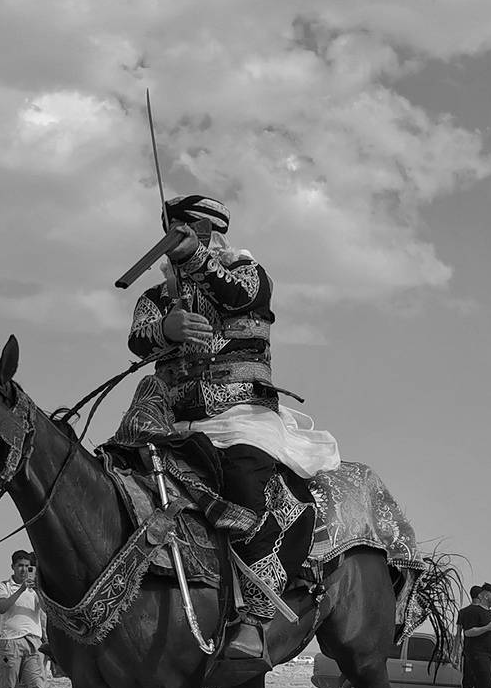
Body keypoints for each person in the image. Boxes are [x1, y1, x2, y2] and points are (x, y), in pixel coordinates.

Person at [124, 194, 339, 657]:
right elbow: (138, 340)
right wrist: (166, 330)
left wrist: (194, 258)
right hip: (171, 418)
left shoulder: (247, 273)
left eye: (190, 234)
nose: (177, 244)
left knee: (245, 483)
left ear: (211, 235)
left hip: (238, 415)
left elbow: (237, 296)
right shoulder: (156, 297)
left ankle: (255, 613)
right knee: (116, 477)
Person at [0, 549, 51, 688]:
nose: (24, 570)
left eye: (27, 566)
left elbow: (46, 609)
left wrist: (38, 590)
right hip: (11, 641)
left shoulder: (35, 590)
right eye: (20, 566)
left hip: (33, 642)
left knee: (38, 686)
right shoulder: (4, 586)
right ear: (13, 567)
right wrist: (20, 589)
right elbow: (3, 607)